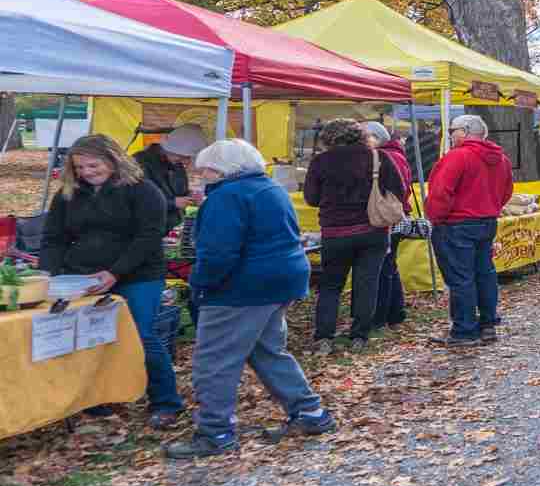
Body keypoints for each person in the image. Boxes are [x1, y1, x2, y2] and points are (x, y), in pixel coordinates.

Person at [165, 140, 336, 459]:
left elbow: (218, 254)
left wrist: (201, 287)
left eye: (206, 169)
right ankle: (310, 412)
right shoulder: (268, 188)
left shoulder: (227, 197)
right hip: (279, 280)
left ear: (222, 169)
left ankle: (215, 431)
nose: (201, 175)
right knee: (267, 350)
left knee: (214, 360)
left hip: (242, 287)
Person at [41, 135, 184, 428]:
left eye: (93, 165)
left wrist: (115, 272)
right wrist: (49, 274)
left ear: (113, 160)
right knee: (89, 337)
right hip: (82, 276)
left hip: (139, 275)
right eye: (79, 167)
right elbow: (53, 238)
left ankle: (166, 401)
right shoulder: (68, 193)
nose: (86, 172)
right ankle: (96, 400)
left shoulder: (144, 191)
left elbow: (148, 237)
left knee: (141, 335)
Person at [304, 119, 405, 355]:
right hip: (373, 231)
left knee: (330, 286)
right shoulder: (378, 158)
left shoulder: (320, 162)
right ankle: (360, 335)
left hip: (335, 232)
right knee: (366, 284)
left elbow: (312, 198)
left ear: (328, 138)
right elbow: (398, 191)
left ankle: (324, 337)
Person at [427, 115, 513, 347]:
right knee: (484, 273)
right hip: (486, 222)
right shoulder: (501, 160)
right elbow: (506, 192)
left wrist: (436, 217)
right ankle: (487, 324)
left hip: (456, 224)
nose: (451, 134)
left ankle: (464, 330)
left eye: (453, 130)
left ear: (464, 131)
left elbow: (440, 192)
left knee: (461, 278)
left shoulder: (458, 157)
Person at [365, 122, 411, 331]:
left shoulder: (386, 157)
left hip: (386, 217)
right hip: (396, 216)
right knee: (389, 266)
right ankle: (395, 312)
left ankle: (380, 316)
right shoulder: (397, 154)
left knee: (383, 268)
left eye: (366, 137)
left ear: (375, 138)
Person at [133, 124, 209, 232]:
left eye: (188, 157)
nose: (186, 161)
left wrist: (190, 195)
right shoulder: (139, 162)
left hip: (171, 227)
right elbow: (138, 200)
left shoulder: (175, 163)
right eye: (184, 156)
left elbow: (178, 191)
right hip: (148, 230)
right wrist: (173, 203)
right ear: (170, 148)